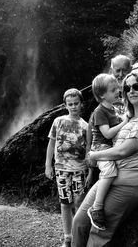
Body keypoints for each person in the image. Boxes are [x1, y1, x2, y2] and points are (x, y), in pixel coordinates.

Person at [72, 71, 138, 247]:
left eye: (137, 86)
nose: (131, 91)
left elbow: (123, 151)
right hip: (110, 177)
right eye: (127, 87)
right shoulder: (126, 119)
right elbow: (97, 129)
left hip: (133, 181)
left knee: (98, 234)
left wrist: (94, 156)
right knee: (79, 222)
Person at [45, 88, 89, 247]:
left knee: (79, 202)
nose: (73, 106)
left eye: (76, 103)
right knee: (65, 203)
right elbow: (51, 144)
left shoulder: (85, 126)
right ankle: (67, 237)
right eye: (70, 104)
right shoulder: (58, 121)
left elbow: (88, 150)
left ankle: (78, 237)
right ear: (65, 105)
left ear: (81, 104)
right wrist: (47, 165)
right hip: (61, 169)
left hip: (79, 170)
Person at [86, 74, 129, 231]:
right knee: (110, 171)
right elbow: (108, 134)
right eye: (113, 90)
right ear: (102, 95)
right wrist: (125, 122)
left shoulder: (115, 109)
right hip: (100, 148)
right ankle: (96, 207)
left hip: (109, 147)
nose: (118, 91)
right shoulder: (100, 112)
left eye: (117, 88)